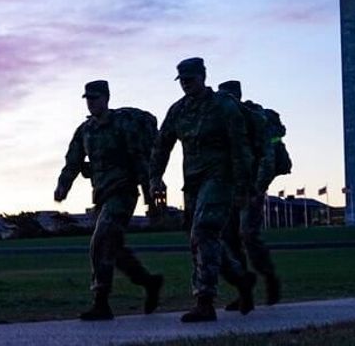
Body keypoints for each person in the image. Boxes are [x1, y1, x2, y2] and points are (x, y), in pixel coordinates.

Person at [150, 57, 256, 322]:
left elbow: (240, 146)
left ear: (203, 76)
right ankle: (241, 280)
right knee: (201, 240)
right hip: (193, 183)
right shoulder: (178, 110)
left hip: (220, 178)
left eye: (191, 79)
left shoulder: (223, 105)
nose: (186, 84)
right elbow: (162, 144)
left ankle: (204, 301)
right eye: (182, 80)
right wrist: (155, 177)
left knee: (203, 231)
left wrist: (244, 186)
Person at [54, 80, 164, 321]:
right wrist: (63, 185)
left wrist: (150, 198)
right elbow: (72, 161)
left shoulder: (123, 125)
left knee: (100, 240)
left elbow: (139, 160)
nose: (91, 102)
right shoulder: (85, 131)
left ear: (106, 98)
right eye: (88, 99)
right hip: (101, 196)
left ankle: (101, 302)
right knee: (112, 248)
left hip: (123, 192)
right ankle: (149, 282)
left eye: (95, 97)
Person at [216, 80, 282, 306]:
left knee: (247, 234)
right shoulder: (222, 123)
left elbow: (268, 156)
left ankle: (269, 278)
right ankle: (244, 291)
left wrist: (258, 187)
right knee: (228, 238)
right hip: (229, 188)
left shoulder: (254, 119)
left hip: (251, 186)